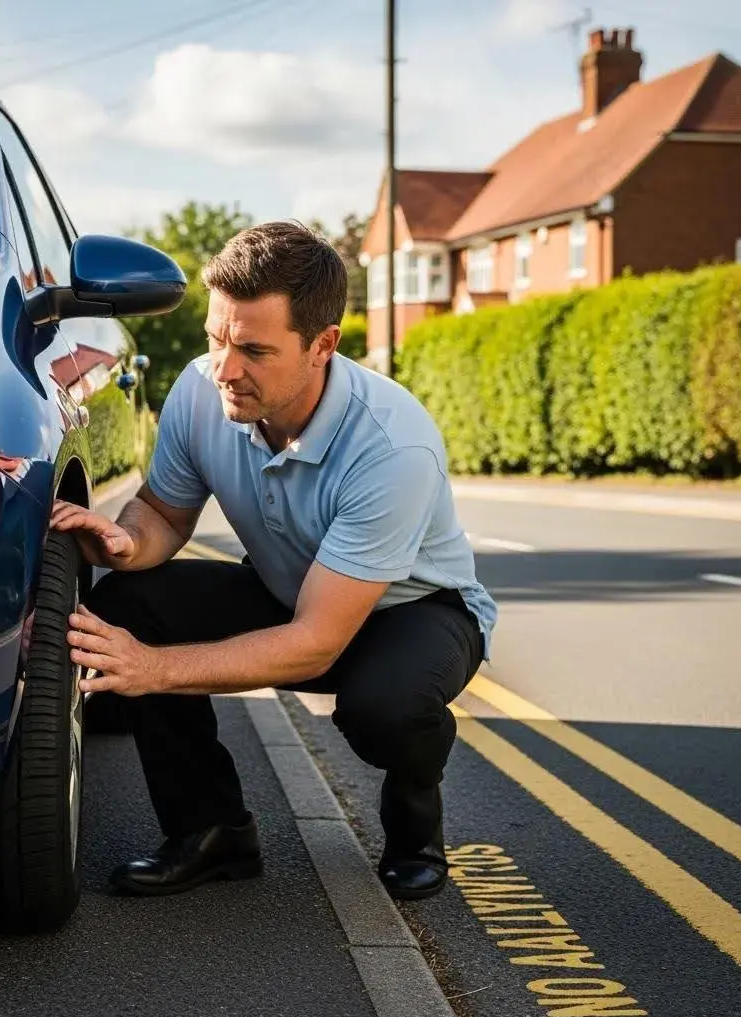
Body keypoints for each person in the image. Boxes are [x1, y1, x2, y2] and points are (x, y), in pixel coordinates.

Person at [51, 220, 497, 901]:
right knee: (127, 604)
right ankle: (211, 832)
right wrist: (126, 542)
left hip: (414, 613)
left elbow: (315, 646)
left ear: (323, 346)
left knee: (384, 709)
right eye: (217, 339)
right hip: (293, 593)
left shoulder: (392, 448)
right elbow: (166, 514)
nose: (225, 369)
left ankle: (415, 823)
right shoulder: (203, 391)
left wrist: (154, 669)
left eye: (254, 350)